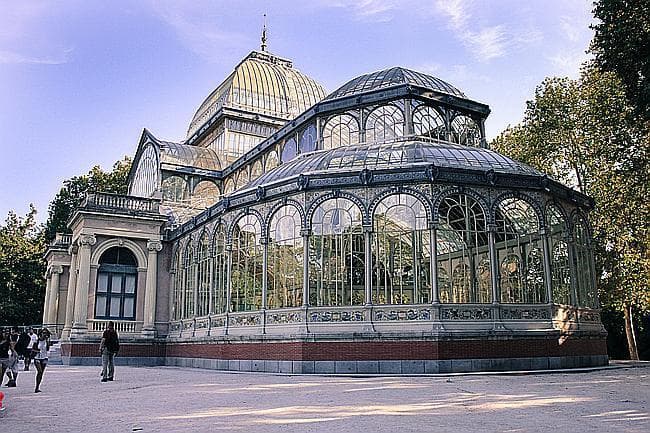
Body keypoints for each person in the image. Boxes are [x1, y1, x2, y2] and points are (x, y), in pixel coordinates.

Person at [33, 329, 51, 393]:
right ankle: (36, 387)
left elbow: (47, 349)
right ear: (41, 333)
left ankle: (37, 386)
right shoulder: (37, 341)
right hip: (37, 357)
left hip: (44, 357)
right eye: (43, 333)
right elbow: (33, 349)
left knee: (41, 373)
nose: (45, 334)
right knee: (39, 371)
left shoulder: (46, 341)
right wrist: (37, 351)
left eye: (46, 333)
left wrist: (48, 341)